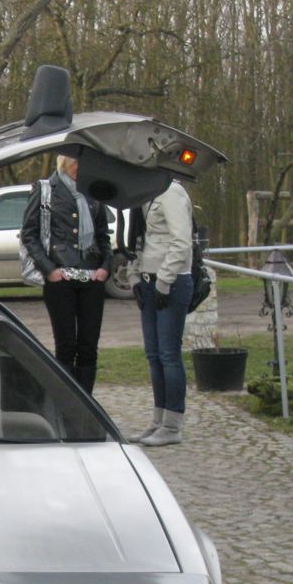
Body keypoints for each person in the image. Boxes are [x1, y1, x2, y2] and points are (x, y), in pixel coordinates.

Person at [20, 151, 111, 394]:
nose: (80, 168)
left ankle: (87, 402)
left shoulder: (93, 191)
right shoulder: (45, 190)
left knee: (89, 346)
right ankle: (67, 401)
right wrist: (49, 270)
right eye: (76, 163)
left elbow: (103, 236)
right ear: (65, 162)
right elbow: (29, 234)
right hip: (60, 279)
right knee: (66, 346)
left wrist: (105, 267)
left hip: (92, 277)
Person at [129, 179, 194, 446]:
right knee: (154, 355)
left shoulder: (171, 191)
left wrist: (165, 279)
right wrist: (134, 276)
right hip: (148, 280)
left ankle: (172, 425)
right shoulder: (147, 190)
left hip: (171, 282)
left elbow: (181, 241)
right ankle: (158, 421)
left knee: (168, 354)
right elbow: (140, 238)